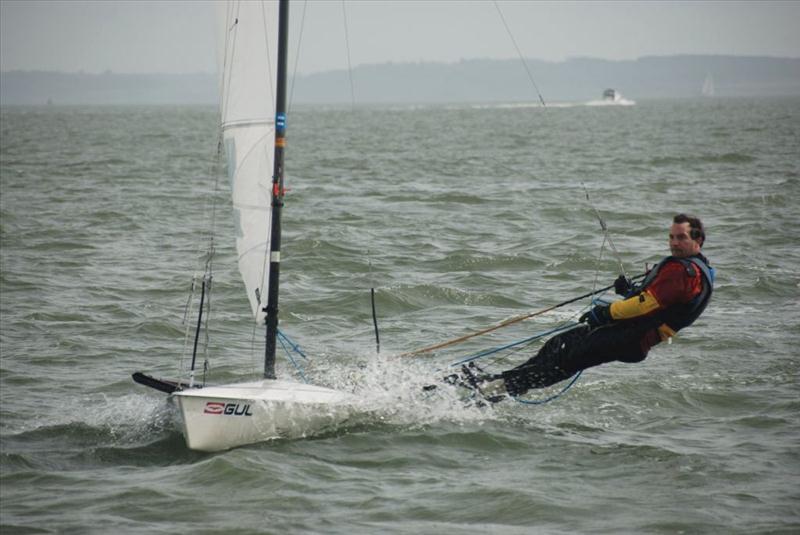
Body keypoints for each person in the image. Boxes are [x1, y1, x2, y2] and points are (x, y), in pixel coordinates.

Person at [459, 213, 715, 402]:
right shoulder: (694, 268)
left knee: (563, 361)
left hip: (632, 338)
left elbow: (647, 304)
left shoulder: (685, 272)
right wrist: (629, 292)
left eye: (681, 238)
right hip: (627, 332)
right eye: (671, 237)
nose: (674, 243)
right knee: (558, 345)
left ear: (698, 239)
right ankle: (501, 384)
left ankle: (493, 389)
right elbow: (655, 300)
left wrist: (605, 312)